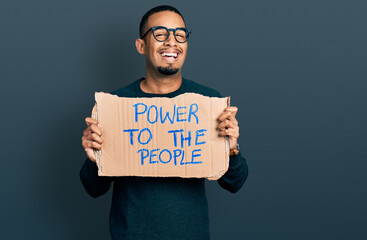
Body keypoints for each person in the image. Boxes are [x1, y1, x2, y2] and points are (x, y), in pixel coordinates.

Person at [80, 5, 248, 240]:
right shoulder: (116, 104)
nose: (172, 42)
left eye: (180, 35)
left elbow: (235, 183)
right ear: (141, 46)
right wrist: (94, 158)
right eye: (160, 33)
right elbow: (93, 188)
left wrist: (231, 149)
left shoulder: (208, 103)